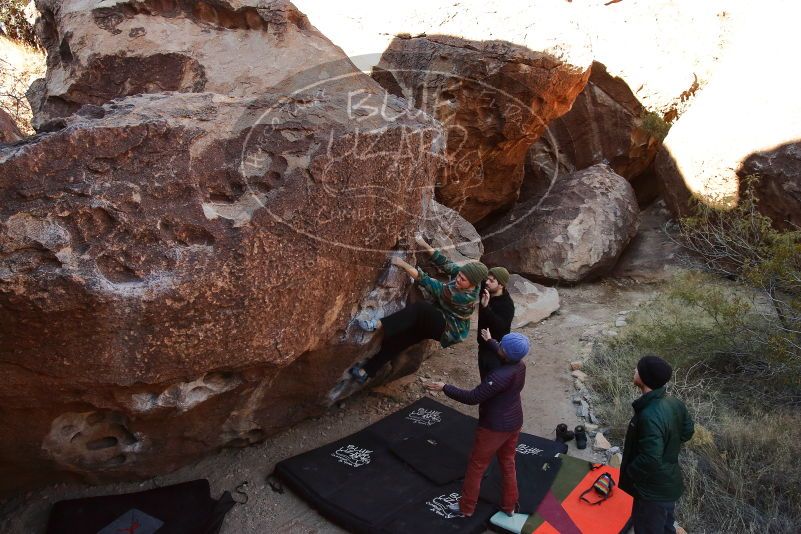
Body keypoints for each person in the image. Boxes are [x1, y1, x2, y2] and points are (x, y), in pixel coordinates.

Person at [348, 235, 487, 383]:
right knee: (399, 340)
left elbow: (429, 283)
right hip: (439, 317)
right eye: (459, 275)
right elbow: (444, 263)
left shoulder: (463, 297)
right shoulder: (467, 276)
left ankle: (376, 324)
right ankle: (366, 372)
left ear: (472, 284)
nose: (458, 278)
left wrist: (402, 264)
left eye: (463, 279)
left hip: (448, 329)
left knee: (421, 309)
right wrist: (423, 243)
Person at [426, 332, 530, 518]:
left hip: (494, 427)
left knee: (477, 466)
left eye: (501, 346)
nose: (499, 347)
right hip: (514, 422)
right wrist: (490, 341)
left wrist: (445, 387)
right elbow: (505, 352)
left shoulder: (498, 377)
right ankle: (510, 506)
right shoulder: (520, 365)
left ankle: (466, 508)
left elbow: (472, 397)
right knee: (507, 462)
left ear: (505, 352)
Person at [620, 355, 694, 534]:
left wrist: (630, 473)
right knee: (666, 527)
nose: (634, 371)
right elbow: (687, 431)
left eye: (638, 369)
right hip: (669, 483)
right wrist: (669, 447)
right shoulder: (675, 403)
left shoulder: (649, 415)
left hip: (651, 492)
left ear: (644, 378)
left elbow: (650, 458)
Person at [477, 267, 515, 380]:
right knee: (484, 379)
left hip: (496, 351)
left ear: (501, 285)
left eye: (492, 280)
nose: (487, 282)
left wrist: (486, 307)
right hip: (482, 346)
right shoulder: (486, 289)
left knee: (493, 383)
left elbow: (500, 327)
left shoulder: (507, 305)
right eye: (487, 279)